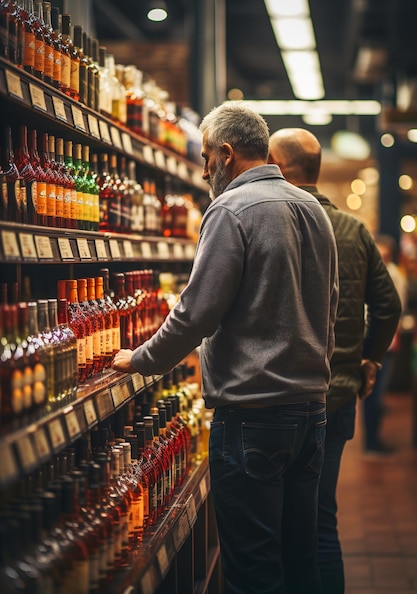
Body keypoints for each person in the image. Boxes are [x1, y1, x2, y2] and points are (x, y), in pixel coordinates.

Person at [112, 103, 339, 594]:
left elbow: (197, 311)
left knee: (253, 569)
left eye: (205, 156)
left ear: (227, 153)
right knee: (302, 560)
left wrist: (142, 359)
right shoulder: (313, 210)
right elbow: (330, 308)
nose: (203, 169)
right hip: (311, 412)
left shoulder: (232, 209)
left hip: (253, 415)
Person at [268, 127, 401, 594]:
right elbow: (388, 306)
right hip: (339, 391)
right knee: (323, 521)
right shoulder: (353, 229)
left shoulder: (275, 223)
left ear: (279, 168)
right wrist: (368, 358)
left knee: (277, 524)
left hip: (279, 396)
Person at [363, 233, 408, 453]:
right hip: (371, 342)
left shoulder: (394, 276)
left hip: (384, 343)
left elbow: (395, 310)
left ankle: (373, 441)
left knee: (376, 393)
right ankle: (371, 442)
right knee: (372, 393)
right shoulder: (370, 273)